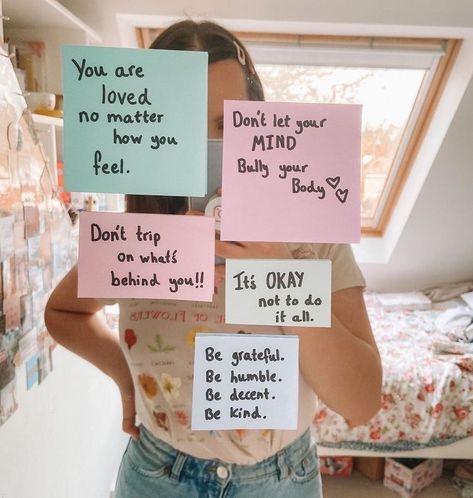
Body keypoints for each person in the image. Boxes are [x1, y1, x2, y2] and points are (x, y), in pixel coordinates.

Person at [45, 20, 382, 498]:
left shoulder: (311, 233)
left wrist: (280, 277)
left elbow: (362, 402)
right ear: (146, 135)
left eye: (229, 126)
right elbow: (61, 313)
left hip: (280, 479)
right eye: (183, 129)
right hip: (157, 473)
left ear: (260, 123)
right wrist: (124, 375)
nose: (212, 153)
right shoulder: (140, 239)